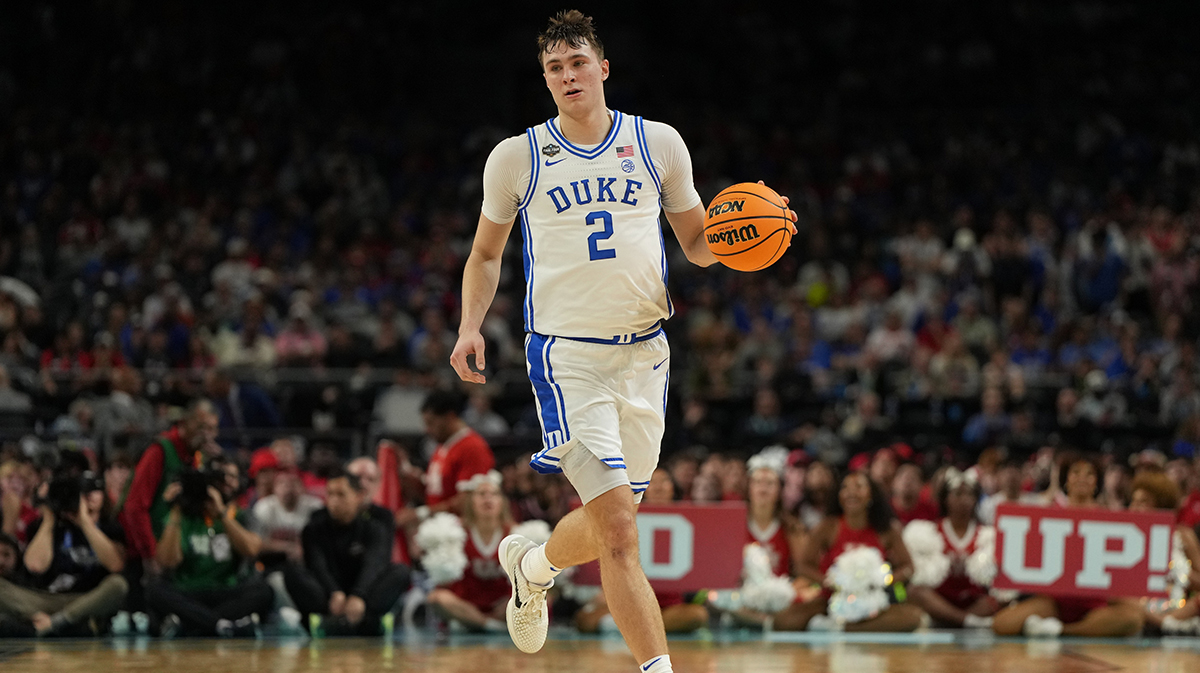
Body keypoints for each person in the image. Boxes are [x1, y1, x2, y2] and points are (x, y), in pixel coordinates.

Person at [448, 11, 796, 671]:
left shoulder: (658, 142)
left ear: (602, 67)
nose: (567, 75)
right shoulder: (517, 157)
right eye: (554, 68)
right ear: (545, 80)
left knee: (617, 520)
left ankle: (534, 563)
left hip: (647, 355)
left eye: (577, 62)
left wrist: (752, 234)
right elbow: (486, 255)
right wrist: (470, 325)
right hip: (568, 357)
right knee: (619, 532)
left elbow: (696, 243)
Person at [991, 455, 1144, 637]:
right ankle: (1070, 629)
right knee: (1001, 624)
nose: (1082, 478)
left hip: (1097, 604)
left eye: (1089, 474)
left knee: (1133, 620)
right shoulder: (1047, 515)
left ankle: (1062, 631)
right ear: (1066, 479)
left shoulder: (1111, 518)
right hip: (1053, 602)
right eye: (1076, 472)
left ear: (1097, 482)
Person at [772, 472, 923, 632]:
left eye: (858, 487)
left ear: (871, 495)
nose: (851, 492)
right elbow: (802, 566)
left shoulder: (886, 529)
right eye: (845, 488)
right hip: (833, 599)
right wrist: (829, 582)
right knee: (784, 620)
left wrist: (881, 581)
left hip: (873, 601)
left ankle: (844, 627)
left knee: (913, 618)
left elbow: (908, 568)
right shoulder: (828, 526)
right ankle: (853, 626)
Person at [145, 459, 272, 637]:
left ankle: (193, 624)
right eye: (219, 478)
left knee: (263, 590)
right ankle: (221, 625)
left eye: (232, 477)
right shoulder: (183, 516)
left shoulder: (242, 515)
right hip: (189, 590)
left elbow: (251, 550)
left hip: (227, 590)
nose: (226, 483)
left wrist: (222, 515)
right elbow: (167, 561)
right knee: (154, 590)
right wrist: (176, 510)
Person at [575, 468, 709, 635]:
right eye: (652, 482)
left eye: (664, 481)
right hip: (627, 602)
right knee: (584, 619)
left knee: (697, 615)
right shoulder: (624, 516)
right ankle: (645, 629)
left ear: (673, 487)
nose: (658, 487)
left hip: (670, 607)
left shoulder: (690, 518)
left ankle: (631, 629)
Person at [284, 469, 410, 636]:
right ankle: (327, 620)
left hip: (363, 593)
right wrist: (334, 592)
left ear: (358, 496)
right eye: (330, 494)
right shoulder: (314, 527)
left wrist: (359, 595)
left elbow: (375, 564)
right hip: (329, 596)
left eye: (341, 495)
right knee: (292, 572)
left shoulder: (374, 528)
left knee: (401, 571)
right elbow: (317, 564)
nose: (334, 501)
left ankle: (365, 620)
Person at [0, 473, 128, 636]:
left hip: (87, 599)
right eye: (80, 493)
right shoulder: (43, 525)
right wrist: (48, 519)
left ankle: (55, 623)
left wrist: (85, 522)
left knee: (118, 585)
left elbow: (116, 565)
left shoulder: (111, 527)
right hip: (43, 599)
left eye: (92, 491)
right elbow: (35, 566)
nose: (86, 498)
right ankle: (48, 621)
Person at [118, 399, 220, 565]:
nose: (207, 435)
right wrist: (150, 554)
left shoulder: (197, 457)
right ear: (185, 422)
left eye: (212, 429)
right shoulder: (159, 451)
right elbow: (135, 506)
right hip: (151, 553)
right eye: (201, 427)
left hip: (177, 551)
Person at [907, 469, 1000, 628]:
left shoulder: (987, 535)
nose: (964, 500)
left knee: (1002, 596)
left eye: (969, 495)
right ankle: (965, 620)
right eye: (957, 494)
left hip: (975, 601)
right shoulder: (929, 532)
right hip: (939, 599)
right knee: (914, 591)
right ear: (945, 499)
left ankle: (956, 619)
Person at [425, 471, 512, 632]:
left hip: (503, 606)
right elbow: (442, 582)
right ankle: (489, 625)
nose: (488, 499)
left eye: (494, 494)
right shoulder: (452, 532)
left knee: (541, 595)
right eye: (481, 494)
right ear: (470, 501)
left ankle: (476, 623)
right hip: (465, 604)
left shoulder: (516, 533)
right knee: (436, 598)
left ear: (502, 501)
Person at [1127, 471, 1200, 634]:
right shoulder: (1125, 536)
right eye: (1133, 502)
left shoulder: (1182, 535)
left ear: (1161, 505)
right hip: (1138, 608)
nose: (1135, 509)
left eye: (1143, 502)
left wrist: (1180, 574)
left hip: (1177, 607)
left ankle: (1168, 623)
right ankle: (1167, 625)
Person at [252, 470, 323, 567]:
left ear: (302, 486)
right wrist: (288, 547)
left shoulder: (315, 507)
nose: (288, 488)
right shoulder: (264, 507)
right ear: (274, 488)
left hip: (308, 563)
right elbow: (255, 544)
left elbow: (324, 542)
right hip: (273, 562)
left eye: (293, 483)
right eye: (282, 483)